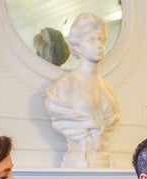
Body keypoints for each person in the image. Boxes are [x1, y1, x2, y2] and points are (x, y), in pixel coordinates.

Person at [45, 13, 121, 168]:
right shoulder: (65, 85)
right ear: (77, 46)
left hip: (104, 158)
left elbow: (112, 117)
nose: (99, 45)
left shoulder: (107, 89)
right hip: (78, 159)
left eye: (101, 39)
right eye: (91, 40)